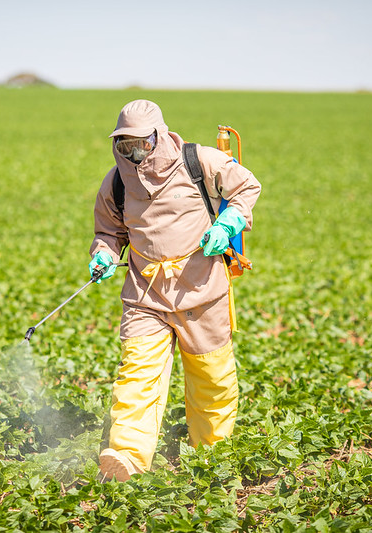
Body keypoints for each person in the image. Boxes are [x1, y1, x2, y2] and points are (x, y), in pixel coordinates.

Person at [89, 99, 261, 481]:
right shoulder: (116, 181)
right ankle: (126, 458)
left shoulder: (199, 161)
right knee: (137, 374)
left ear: (159, 136)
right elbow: (108, 231)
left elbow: (247, 185)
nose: (133, 153)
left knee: (210, 376)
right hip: (144, 293)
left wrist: (229, 222)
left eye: (141, 144)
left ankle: (212, 453)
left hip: (201, 290)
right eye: (124, 145)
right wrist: (103, 254)